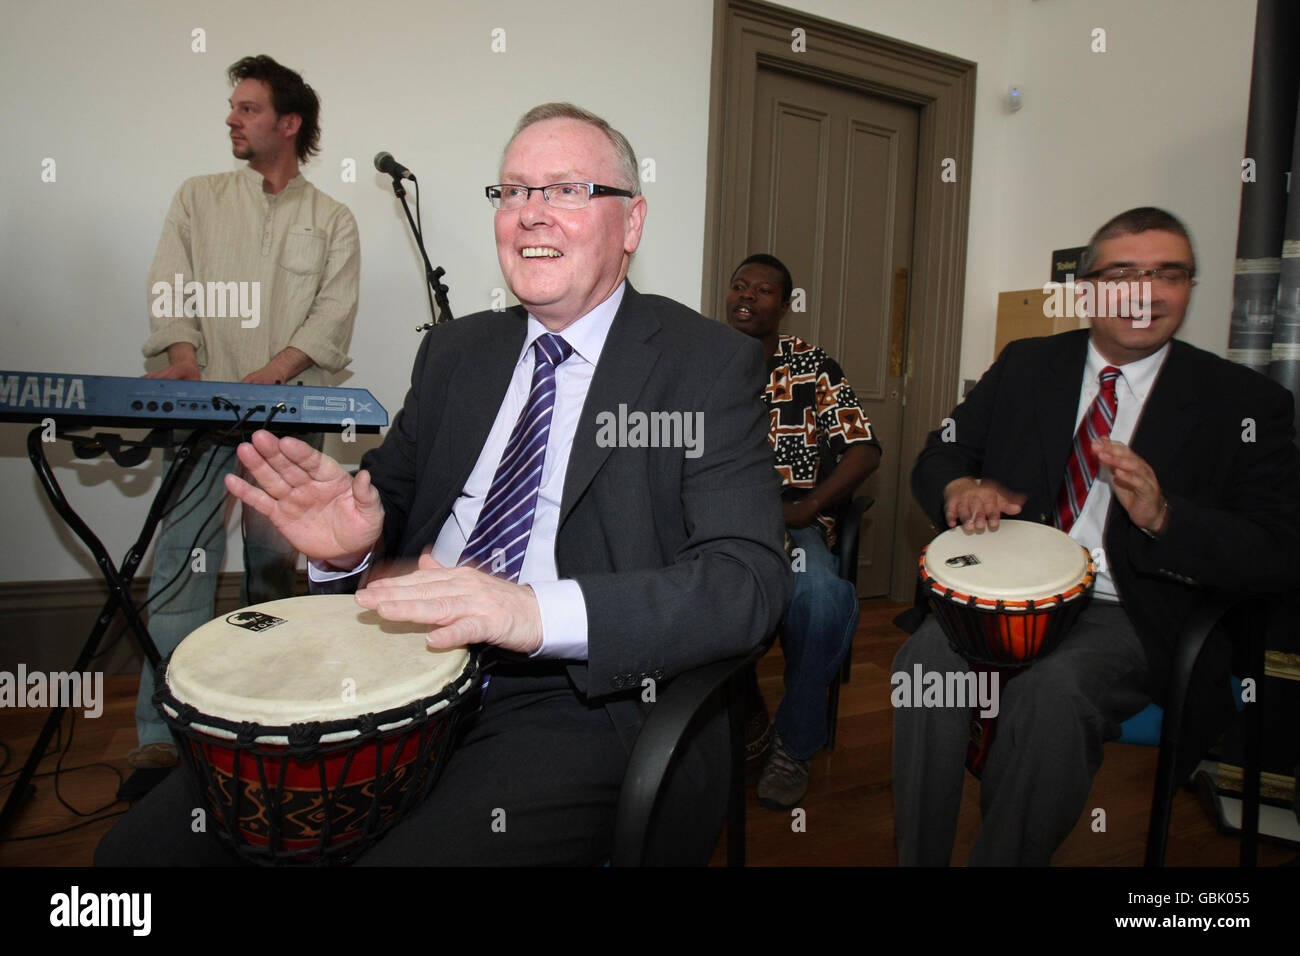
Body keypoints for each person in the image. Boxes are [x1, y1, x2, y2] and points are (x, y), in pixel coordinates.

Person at [96, 102, 790, 866]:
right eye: (514, 191)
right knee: (136, 859)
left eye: (566, 190)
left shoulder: (705, 364)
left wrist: (531, 611)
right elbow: (384, 500)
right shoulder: (459, 352)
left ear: (630, 223)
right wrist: (350, 547)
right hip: (399, 667)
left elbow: (746, 581)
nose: (531, 214)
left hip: (577, 700)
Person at [893, 206, 1300, 865]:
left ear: (1189, 288)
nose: (1147, 290)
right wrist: (957, 490)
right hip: (1009, 597)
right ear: (1087, 290)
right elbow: (942, 453)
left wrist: (1167, 518)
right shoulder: (1027, 364)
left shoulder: (1245, 403)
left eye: (1169, 272)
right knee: (923, 665)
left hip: (1134, 609)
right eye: (1124, 273)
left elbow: (1278, 552)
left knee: (1049, 697)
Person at [129, 55, 360, 771]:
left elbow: (333, 315)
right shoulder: (198, 198)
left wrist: (275, 373)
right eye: (234, 108)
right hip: (202, 417)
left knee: (271, 573)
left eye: (249, 108)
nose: (233, 118)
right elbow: (170, 281)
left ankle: (259, 721)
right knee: (180, 562)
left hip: (288, 420)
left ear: (289, 124)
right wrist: (183, 352)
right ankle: (163, 740)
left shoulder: (333, 219)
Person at [725, 254, 880, 809]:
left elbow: (864, 449)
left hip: (792, 521)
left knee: (820, 598)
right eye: (740, 286)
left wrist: (809, 505)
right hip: (716, 519)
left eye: (763, 290)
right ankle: (722, 722)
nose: (747, 296)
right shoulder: (703, 360)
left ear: (784, 306)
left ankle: (793, 743)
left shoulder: (813, 366)